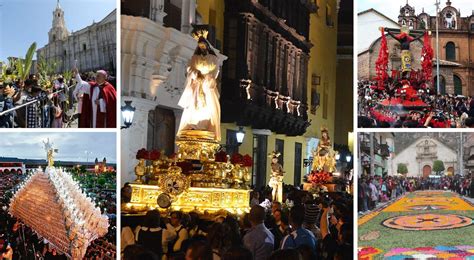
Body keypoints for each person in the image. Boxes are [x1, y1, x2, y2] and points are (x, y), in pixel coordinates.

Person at [177, 35, 221, 141]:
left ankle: (204, 125)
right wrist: (197, 74)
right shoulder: (194, 58)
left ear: (207, 46)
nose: (202, 48)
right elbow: (190, 69)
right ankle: (194, 125)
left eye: (203, 46)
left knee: (208, 107)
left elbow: (215, 72)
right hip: (196, 87)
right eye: (200, 46)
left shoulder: (213, 59)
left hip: (207, 87)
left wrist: (206, 77)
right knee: (194, 106)